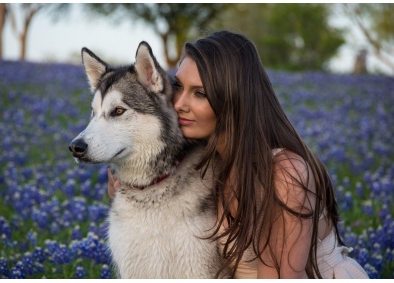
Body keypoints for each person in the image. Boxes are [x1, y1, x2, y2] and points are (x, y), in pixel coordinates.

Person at [107, 30, 369, 279]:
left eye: (200, 93)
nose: (178, 104)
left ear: (232, 98)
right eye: (178, 86)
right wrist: (135, 190)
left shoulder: (285, 173)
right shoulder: (207, 163)